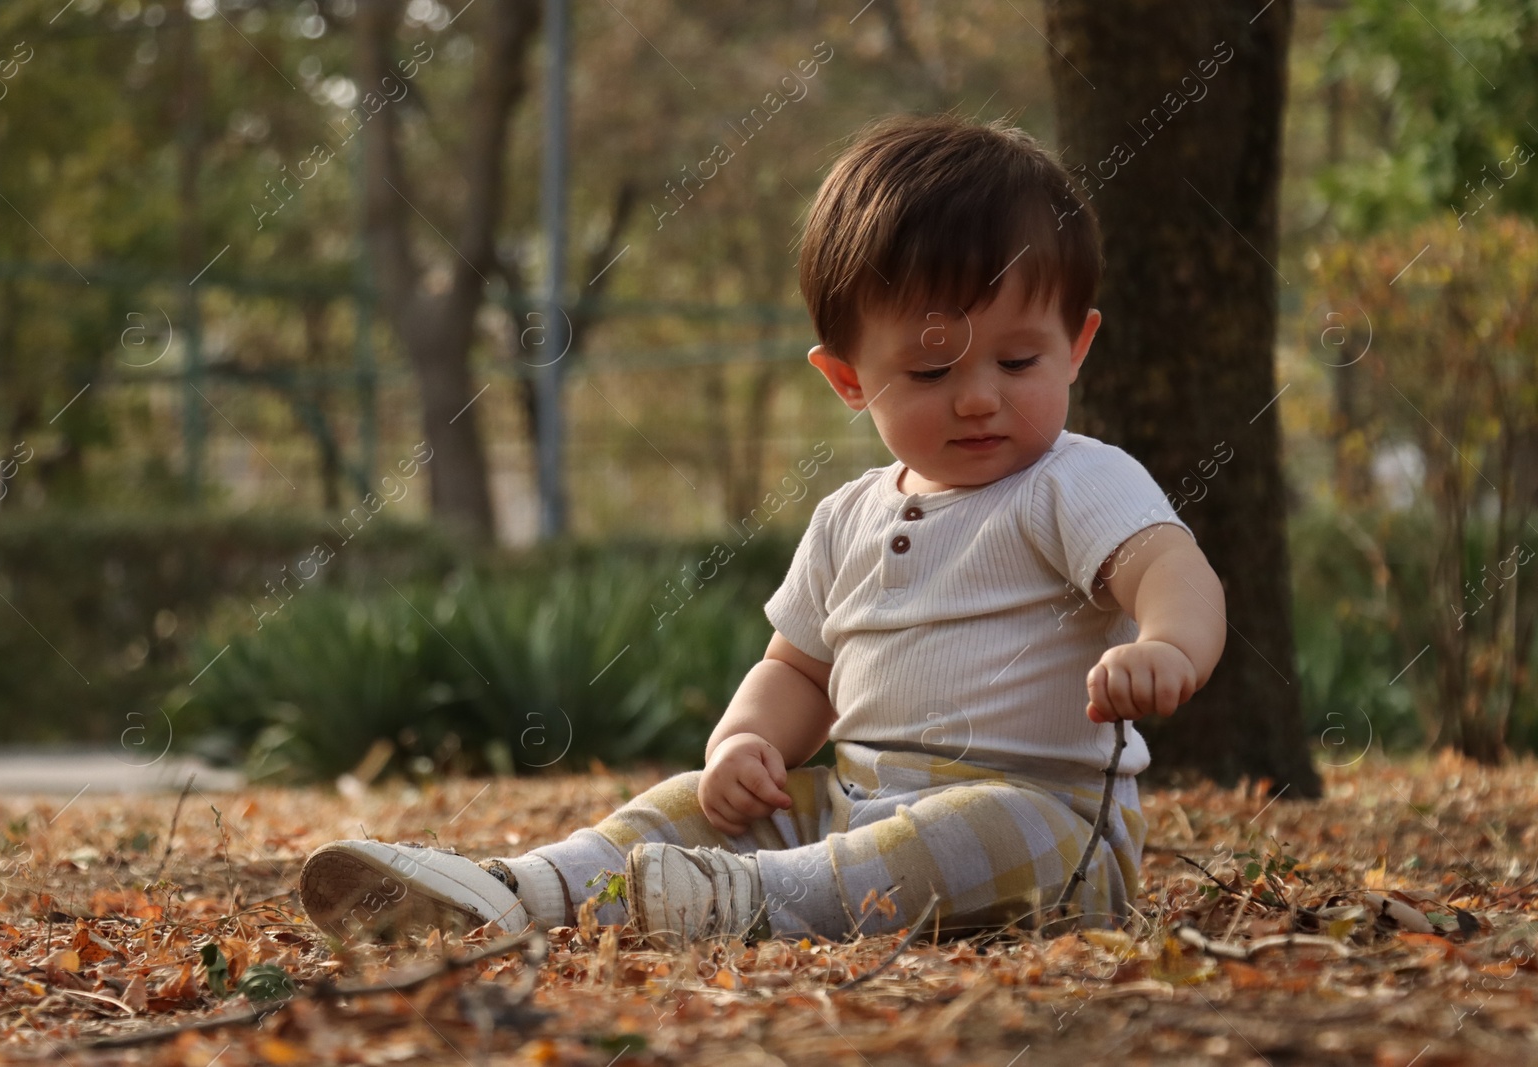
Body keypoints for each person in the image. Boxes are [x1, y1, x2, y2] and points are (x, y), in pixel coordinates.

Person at [298, 112, 1227, 951]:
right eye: (932, 372)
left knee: (963, 827)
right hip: (858, 811)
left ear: (1078, 346)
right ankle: (525, 886)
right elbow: (799, 669)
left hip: (1050, 830)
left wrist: (1168, 646)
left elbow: (1168, 568)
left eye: (1018, 359)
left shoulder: (1074, 477)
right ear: (849, 380)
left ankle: (742, 899)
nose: (980, 395)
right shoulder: (846, 516)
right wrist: (744, 742)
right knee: (690, 803)